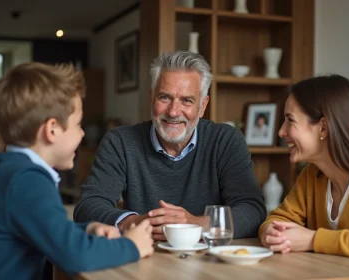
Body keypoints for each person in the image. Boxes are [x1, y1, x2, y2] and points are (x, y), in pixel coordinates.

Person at [0, 62, 154, 280]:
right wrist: (132, 246)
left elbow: (47, 233)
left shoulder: (3, 170)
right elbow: (73, 256)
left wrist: (87, 230)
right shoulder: (27, 180)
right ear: (52, 129)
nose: (81, 135)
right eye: (78, 124)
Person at [74, 51, 266, 239]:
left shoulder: (226, 140)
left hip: (210, 263)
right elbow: (88, 206)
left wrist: (195, 224)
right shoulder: (120, 142)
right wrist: (133, 222)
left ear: (203, 106)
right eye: (164, 97)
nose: (173, 112)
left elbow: (252, 210)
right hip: (142, 257)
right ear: (151, 98)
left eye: (186, 100)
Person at [259, 74, 349, 264]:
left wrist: (314, 240)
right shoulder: (312, 174)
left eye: (290, 120)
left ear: (323, 127)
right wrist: (270, 232)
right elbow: (280, 217)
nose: (281, 131)